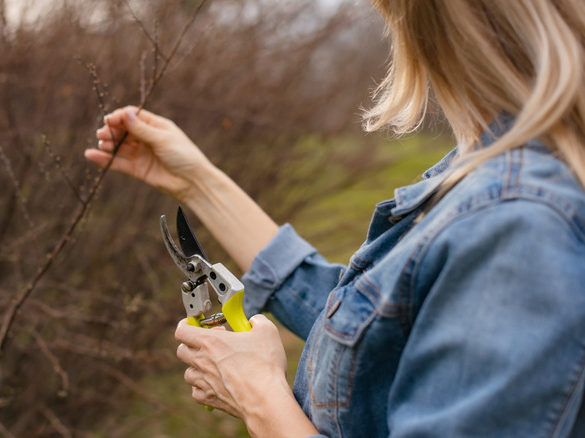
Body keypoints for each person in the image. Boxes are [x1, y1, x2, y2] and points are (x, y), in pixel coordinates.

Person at [87, 1, 585, 436]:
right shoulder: (488, 168)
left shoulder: (517, 221)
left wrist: (259, 398)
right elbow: (367, 324)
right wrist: (196, 181)